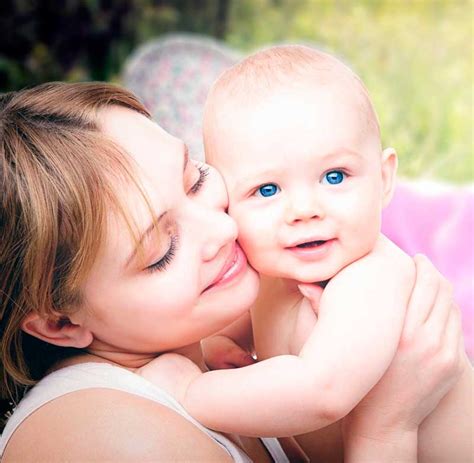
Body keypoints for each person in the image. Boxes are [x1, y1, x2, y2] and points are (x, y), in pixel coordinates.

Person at [0, 82, 463, 462]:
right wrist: (385, 429)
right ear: (60, 322)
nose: (222, 227)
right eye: (162, 250)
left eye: (196, 179)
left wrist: (217, 354)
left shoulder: (198, 339)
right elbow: (322, 390)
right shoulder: (102, 439)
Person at [202, 45, 473, 462]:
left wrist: (191, 391)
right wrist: (215, 344)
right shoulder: (269, 275)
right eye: (267, 190)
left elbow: (322, 392)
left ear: (384, 180)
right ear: (225, 203)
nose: (305, 210)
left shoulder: (370, 279)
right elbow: (223, 329)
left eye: (334, 176)